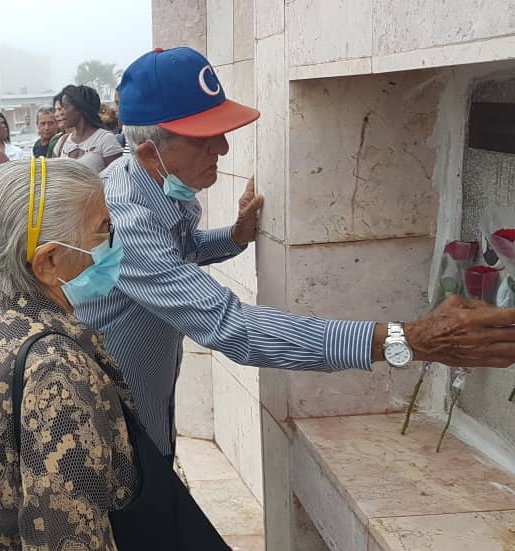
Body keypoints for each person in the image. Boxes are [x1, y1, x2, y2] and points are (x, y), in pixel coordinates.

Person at [77, 46, 515, 460]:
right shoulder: (123, 218)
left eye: (221, 133)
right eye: (204, 139)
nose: (223, 148)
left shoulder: (153, 182)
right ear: (150, 151)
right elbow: (233, 327)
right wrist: (409, 339)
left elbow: (173, 256)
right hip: (108, 440)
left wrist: (234, 237)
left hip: (147, 413)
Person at [0, 157, 228, 550]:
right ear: (49, 261)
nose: (116, 242)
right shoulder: (57, 371)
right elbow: (67, 536)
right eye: (103, 229)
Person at [57, 84, 123, 172]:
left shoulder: (105, 140)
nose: (62, 112)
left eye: (65, 107)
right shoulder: (62, 142)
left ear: (80, 108)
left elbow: (117, 176)